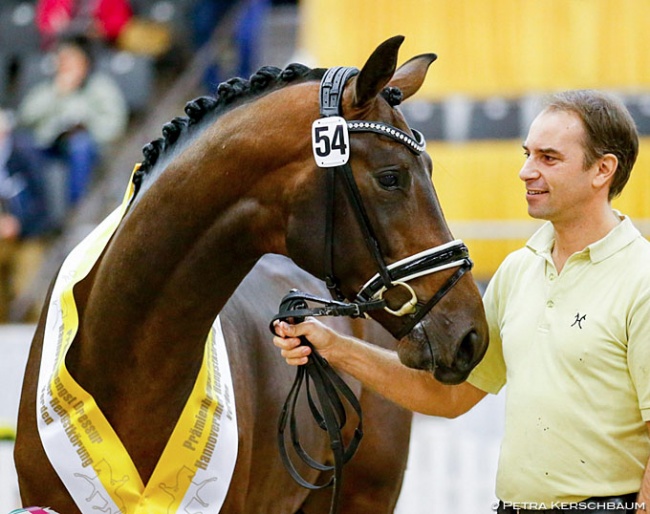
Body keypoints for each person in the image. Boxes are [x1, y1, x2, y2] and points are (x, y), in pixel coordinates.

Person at [273, 90, 650, 514]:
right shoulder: (518, 271)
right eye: (527, 154)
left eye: (548, 158)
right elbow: (447, 397)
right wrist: (332, 346)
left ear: (603, 170)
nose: (526, 171)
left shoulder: (642, 278)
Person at [17, 34, 128, 210]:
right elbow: (26, 116)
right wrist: (57, 91)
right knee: (22, 146)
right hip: (50, 145)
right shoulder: (48, 88)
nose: (66, 65)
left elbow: (114, 124)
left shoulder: (100, 87)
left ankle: (76, 208)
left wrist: (86, 128)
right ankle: (35, 213)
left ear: (85, 63)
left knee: (80, 144)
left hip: (88, 147)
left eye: (71, 60)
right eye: (62, 60)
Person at [0, 109, 53, 322]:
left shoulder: (25, 154)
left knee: (27, 295)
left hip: (30, 235)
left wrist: (19, 223)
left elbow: (43, 202)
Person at [35, 0, 133, 50]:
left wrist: (100, 28)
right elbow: (44, 22)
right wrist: (57, 25)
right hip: (64, 45)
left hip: (100, 45)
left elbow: (120, 22)